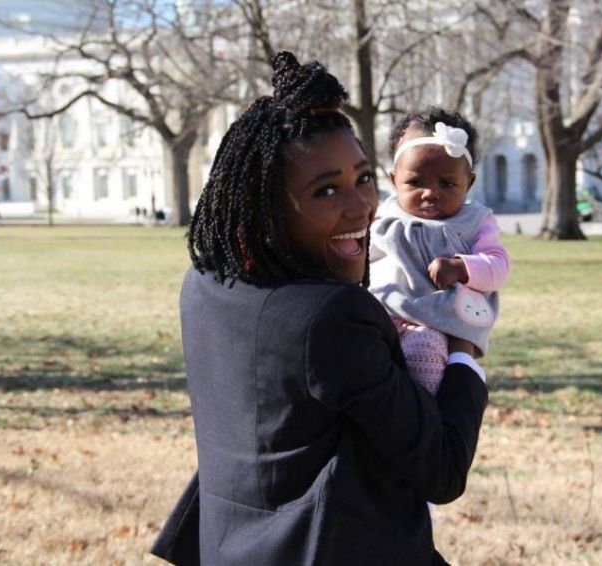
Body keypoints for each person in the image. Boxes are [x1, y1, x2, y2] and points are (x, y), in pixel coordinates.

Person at [151, 53, 489, 565]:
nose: (361, 208)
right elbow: (441, 469)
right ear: (268, 203)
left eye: (363, 179)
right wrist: (464, 351)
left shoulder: (204, 282)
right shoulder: (333, 316)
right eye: (326, 190)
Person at [369, 108, 510, 395]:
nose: (430, 193)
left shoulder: (474, 221)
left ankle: (428, 415)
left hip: (437, 323)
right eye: (416, 182)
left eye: (446, 183)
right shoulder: (383, 215)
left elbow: (498, 265)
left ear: (468, 183)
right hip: (383, 313)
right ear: (394, 179)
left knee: (425, 355)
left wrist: (461, 266)